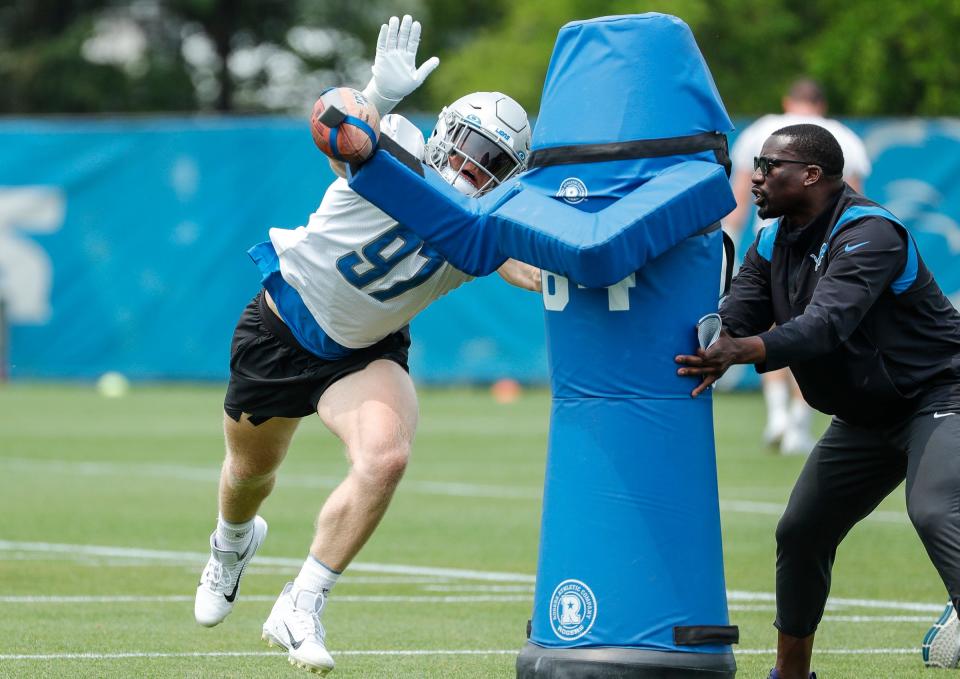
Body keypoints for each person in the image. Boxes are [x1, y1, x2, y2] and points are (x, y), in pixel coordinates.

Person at [192, 14, 539, 675]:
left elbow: (525, 265)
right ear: (443, 136)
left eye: (490, 161)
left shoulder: (484, 225)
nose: (471, 168)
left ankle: (302, 601)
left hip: (363, 352)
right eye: (467, 146)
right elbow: (336, 128)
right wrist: (377, 93)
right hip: (283, 325)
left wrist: (584, 268)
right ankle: (232, 544)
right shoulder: (396, 146)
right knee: (248, 477)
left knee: (385, 458)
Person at [675, 123, 960, 679]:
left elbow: (824, 326)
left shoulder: (872, 234)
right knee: (801, 531)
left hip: (940, 394)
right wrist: (713, 346)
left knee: (933, 508)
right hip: (865, 417)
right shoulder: (768, 239)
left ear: (810, 175)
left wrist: (743, 351)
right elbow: (740, 314)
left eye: (767, 166)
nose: (754, 178)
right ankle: (791, 674)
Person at [725, 78, 872, 455]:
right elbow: (853, 198)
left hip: (796, 247)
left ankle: (779, 416)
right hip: (795, 245)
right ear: (821, 104)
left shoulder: (760, 130)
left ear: (787, 100)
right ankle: (793, 423)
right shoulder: (845, 137)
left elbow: (739, 200)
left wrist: (725, 243)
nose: (761, 176)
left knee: (798, 328)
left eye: (769, 168)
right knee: (791, 330)